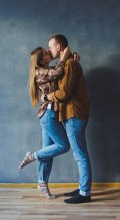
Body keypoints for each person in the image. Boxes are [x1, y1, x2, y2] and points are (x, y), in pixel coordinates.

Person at [18, 46, 75, 199]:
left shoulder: (45, 68)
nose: (49, 53)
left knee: (48, 152)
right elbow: (56, 72)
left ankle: (42, 182)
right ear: (41, 59)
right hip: (48, 115)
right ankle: (33, 155)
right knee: (64, 146)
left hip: (50, 114)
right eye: (46, 53)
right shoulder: (40, 71)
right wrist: (63, 58)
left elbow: (58, 74)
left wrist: (72, 60)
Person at [42, 34, 92, 204]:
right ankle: (83, 187)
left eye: (50, 47)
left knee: (80, 155)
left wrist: (46, 97)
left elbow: (63, 93)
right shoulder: (69, 62)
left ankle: (85, 193)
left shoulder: (70, 64)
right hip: (73, 114)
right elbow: (58, 73)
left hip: (74, 114)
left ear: (59, 46)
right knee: (79, 153)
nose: (49, 50)